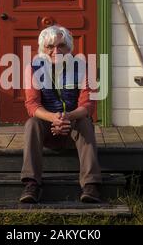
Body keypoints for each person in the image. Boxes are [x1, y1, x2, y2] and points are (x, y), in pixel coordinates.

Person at [20, 25, 102, 204]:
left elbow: (88, 104)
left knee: (85, 122)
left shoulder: (84, 67)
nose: (55, 51)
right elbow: (32, 104)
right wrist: (54, 118)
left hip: (73, 128)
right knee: (32, 123)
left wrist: (66, 117)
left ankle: (91, 184)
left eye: (61, 46)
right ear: (43, 49)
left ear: (69, 47)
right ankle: (32, 183)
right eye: (50, 47)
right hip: (48, 126)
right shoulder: (33, 68)